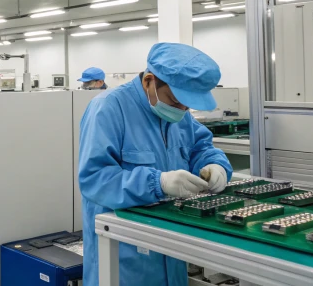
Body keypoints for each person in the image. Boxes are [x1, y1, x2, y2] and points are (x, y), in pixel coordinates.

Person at [78, 43, 232, 286]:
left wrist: (216, 166)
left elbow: (201, 148)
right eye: (175, 100)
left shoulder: (179, 114)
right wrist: (157, 183)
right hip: (123, 258)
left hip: (172, 248)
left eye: (186, 104)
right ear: (149, 80)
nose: (181, 109)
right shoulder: (108, 108)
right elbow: (95, 179)